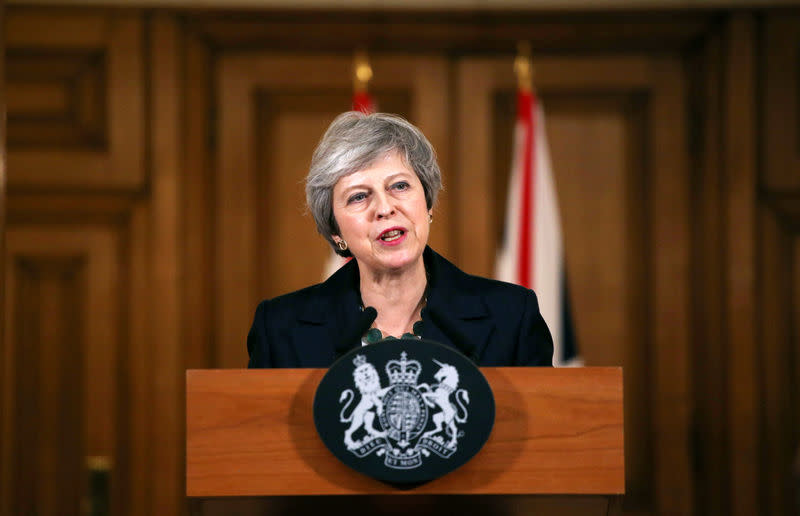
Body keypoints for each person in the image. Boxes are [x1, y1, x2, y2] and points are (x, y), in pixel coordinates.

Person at [247, 111, 553, 368]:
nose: (384, 208)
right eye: (358, 197)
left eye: (399, 186)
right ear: (336, 231)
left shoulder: (511, 316)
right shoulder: (280, 328)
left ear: (429, 204)